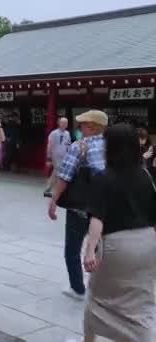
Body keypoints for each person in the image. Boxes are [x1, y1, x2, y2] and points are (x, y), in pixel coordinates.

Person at [82, 124, 156, 342]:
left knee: (98, 297)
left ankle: (90, 340)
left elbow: (97, 219)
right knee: (140, 299)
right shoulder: (145, 176)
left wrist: (89, 251)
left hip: (116, 246)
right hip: (147, 245)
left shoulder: (103, 177)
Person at [48, 110, 107, 300]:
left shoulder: (79, 147)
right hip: (105, 207)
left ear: (91, 126)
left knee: (72, 249)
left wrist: (53, 201)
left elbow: (64, 177)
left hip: (80, 206)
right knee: (99, 247)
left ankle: (78, 288)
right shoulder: (113, 147)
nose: (79, 128)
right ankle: (98, 287)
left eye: (82, 125)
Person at [44, 118, 71, 197]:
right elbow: (49, 145)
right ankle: (59, 191)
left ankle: (47, 189)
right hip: (55, 155)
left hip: (64, 156)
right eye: (62, 123)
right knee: (59, 172)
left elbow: (68, 144)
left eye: (66, 123)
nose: (64, 124)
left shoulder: (67, 133)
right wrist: (48, 157)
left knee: (55, 173)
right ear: (59, 123)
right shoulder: (54, 133)